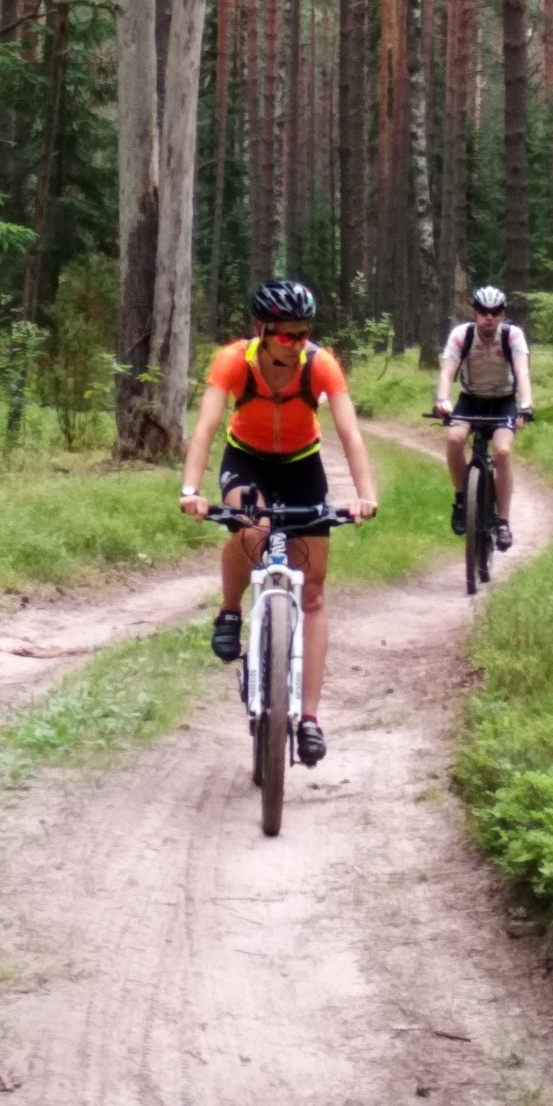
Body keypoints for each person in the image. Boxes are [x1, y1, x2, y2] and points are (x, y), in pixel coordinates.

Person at [179, 277, 378, 768]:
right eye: (286, 335)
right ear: (261, 331)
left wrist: (365, 496)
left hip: (302, 463)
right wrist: (191, 491)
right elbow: (205, 427)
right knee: (252, 527)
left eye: (303, 334)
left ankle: (308, 718)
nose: (296, 344)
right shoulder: (233, 361)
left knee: (314, 592)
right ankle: (230, 610)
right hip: (246, 459)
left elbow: (350, 434)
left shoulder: (320, 364)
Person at [432, 283, 534, 549]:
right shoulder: (461, 335)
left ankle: (503, 522)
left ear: (503, 313)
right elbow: (447, 372)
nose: (489, 316)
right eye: (483, 311)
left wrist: (526, 404)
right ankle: (461, 500)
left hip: (503, 402)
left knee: (502, 452)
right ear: (474, 312)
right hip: (470, 400)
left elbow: (522, 372)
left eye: (495, 311)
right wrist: (442, 400)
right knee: (454, 439)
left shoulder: (512, 336)